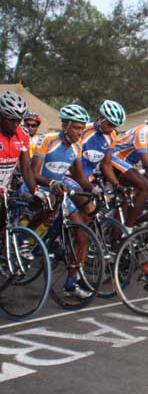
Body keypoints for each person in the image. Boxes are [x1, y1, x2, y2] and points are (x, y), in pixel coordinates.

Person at [29, 104, 92, 298]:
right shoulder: (48, 140)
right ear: (65, 126)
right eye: (77, 128)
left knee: (82, 234)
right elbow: (33, 173)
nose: (80, 132)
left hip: (59, 190)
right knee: (50, 204)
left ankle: (71, 283)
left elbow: (79, 177)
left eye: (82, 128)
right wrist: (51, 183)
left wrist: (94, 190)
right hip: (39, 186)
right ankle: (26, 240)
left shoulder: (77, 146)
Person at [0, 90, 38, 197]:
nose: (16, 124)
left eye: (19, 120)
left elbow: (26, 168)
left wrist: (36, 192)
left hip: (5, 193)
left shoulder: (22, 134)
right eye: (11, 120)